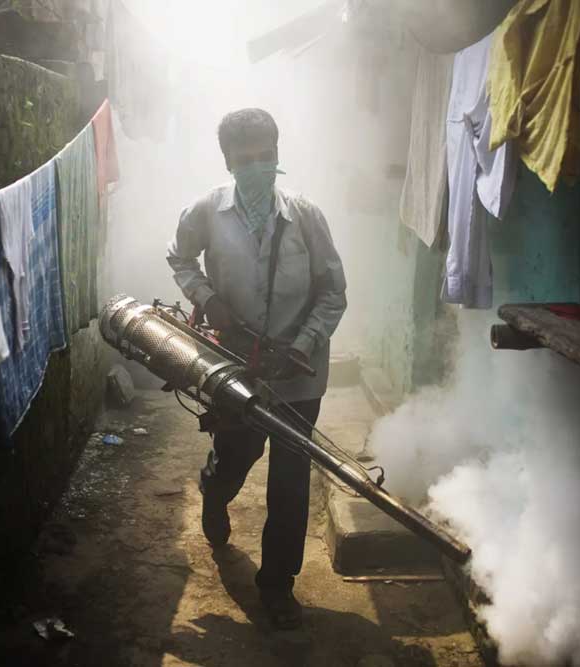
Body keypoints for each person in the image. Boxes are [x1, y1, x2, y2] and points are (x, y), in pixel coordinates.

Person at [167, 108, 347, 629]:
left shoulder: (307, 217)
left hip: (298, 373)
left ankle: (277, 586)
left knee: (290, 480)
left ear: (278, 153)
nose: (257, 167)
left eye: (265, 156)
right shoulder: (205, 210)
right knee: (236, 455)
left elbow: (333, 291)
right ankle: (214, 491)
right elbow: (180, 258)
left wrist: (304, 344)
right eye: (245, 159)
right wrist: (206, 298)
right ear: (227, 161)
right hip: (235, 366)